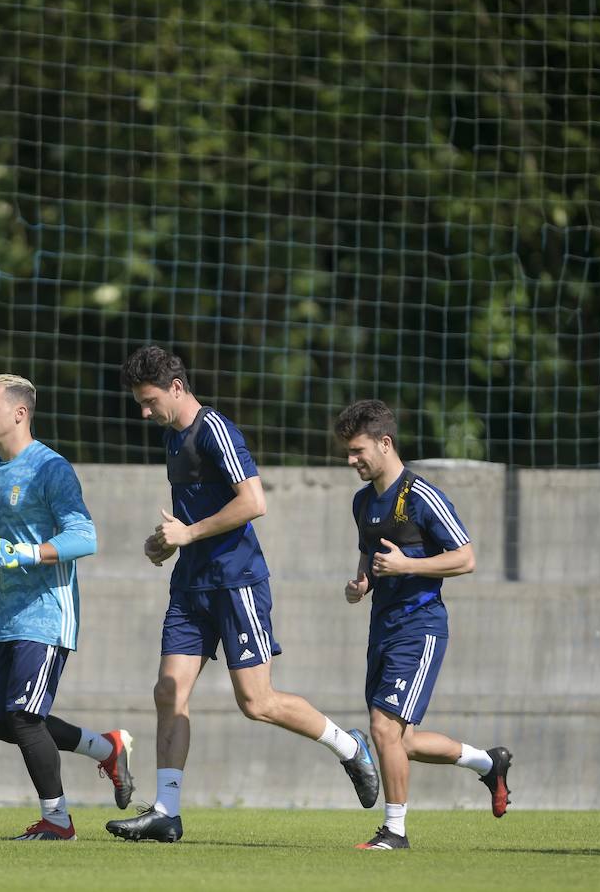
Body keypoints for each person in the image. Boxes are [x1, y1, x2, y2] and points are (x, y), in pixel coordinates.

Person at [106, 346, 378, 844]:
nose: (145, 413)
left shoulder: (215, 429)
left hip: (236, 582)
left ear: (177, 388)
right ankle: (167, 811)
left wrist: (188, 535)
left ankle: (349, 745)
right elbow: (193, 519)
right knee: (168, 691)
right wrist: (167, 542)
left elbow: (253, 501)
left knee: (256, 702)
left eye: (149, 401)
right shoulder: (173, 439)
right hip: (191, 585)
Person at [334, 399, 512, 851]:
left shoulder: (421, 495)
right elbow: (371, 557)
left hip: (421, 626)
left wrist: (407, 568)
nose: (351, 460)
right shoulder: (362, 502)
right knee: (403, 741)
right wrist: (362, 584)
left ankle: (394, 832)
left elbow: (466, 557)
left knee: (382, 729)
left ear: (385, 442)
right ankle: (488, 764)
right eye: (348, 453)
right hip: (383, 627)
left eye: (358, 451)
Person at [0, 373, 133, 841]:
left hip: (47, 612)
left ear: (19, 413)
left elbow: (85, 537)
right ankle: (107, 749)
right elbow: (8, 544)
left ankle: (58, 821)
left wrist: (27, 553)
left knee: (23, 716)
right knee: (4, 723)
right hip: (8, 615)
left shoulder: (51, 468)